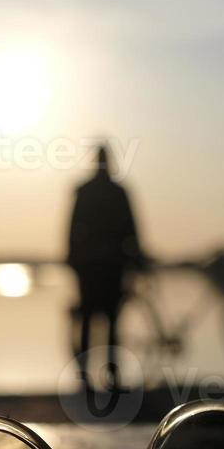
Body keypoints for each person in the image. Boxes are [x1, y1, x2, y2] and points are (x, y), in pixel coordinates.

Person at [67, 143, 145, 387]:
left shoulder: (86, 191)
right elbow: (131, 230)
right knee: (109, 321)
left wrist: (73, 258)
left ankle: (87, 377)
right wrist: (136, 257)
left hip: (95, 265)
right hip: (109, 265)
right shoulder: (117, 192)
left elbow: (72, 230)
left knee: (93, 321)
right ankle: (108, 376)